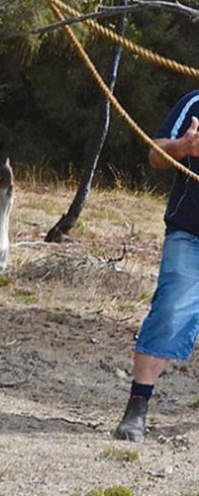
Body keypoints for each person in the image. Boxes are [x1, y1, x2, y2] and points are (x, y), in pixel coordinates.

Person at [115, 90, 199, 442]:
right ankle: (137, 408)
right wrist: (184, 147)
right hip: (191, 232)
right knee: (167, 315)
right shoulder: (196, 102)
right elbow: (155, 154)